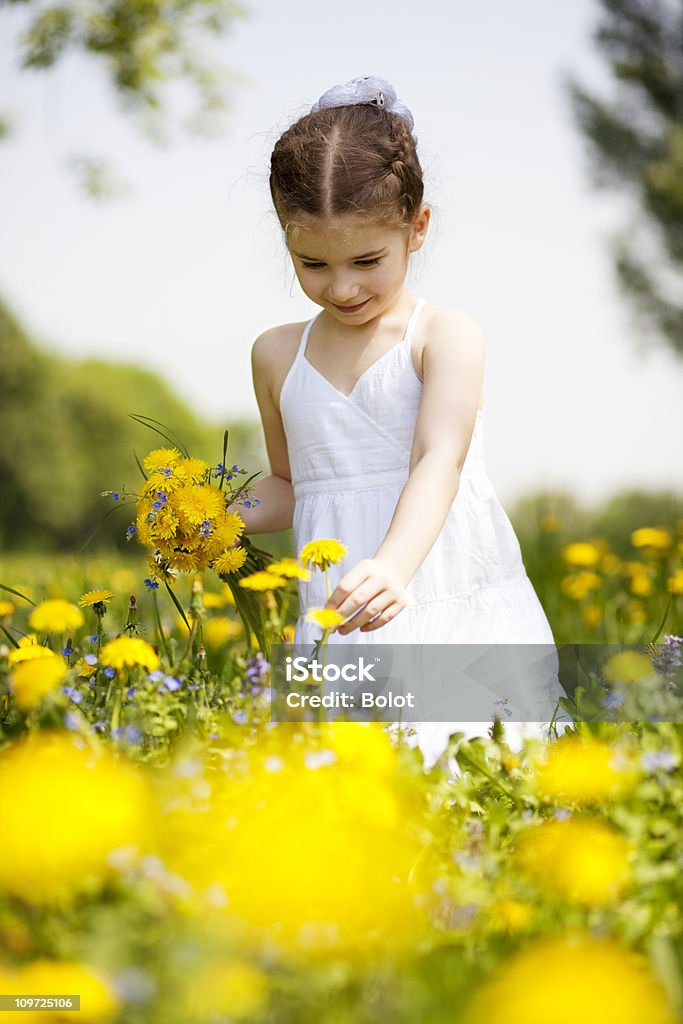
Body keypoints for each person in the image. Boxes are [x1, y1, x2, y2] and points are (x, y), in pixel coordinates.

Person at [239, 75, 571, 769]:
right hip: (342, 613)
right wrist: (209, 516)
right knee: (354, 802)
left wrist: (392, 565)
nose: (342, 287)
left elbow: (437, 460)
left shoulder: (442, 335)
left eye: (367, 260)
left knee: (475, 777)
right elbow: (292, 484)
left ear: (416, 228)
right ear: (284, 239)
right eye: (312, 264)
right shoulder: (276, 353)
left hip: (441, 592)